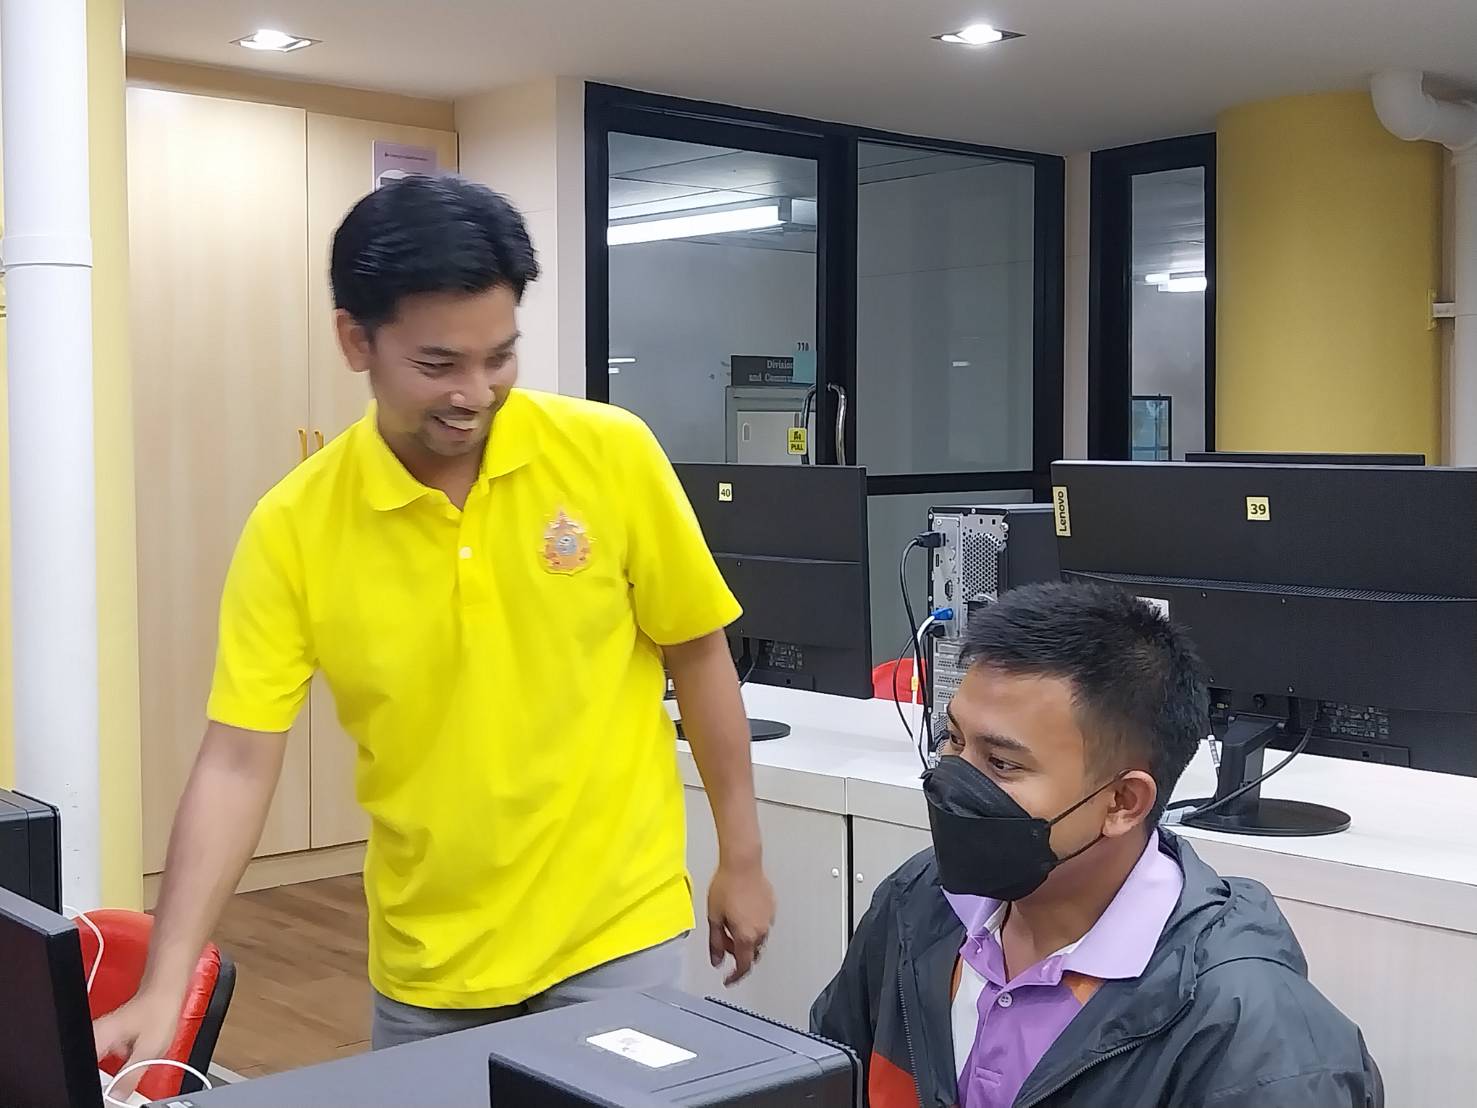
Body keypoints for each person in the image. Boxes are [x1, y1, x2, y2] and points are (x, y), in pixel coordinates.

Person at [96, 176, 775, 1078]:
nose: (475, 392)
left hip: (616, 933)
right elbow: (237, 759)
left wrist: (741, 857)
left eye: (500, 357)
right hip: (428, 962)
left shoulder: (610, 454)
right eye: (438, 364)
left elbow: (696, 651)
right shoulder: (295, 526)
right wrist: (166, 979)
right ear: (355, 340)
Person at [812, 582, 1382, 1108]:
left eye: (1002, 763)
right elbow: (826, 1081)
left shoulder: (1255, 1042)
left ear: (1122, 803)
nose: (953, 780)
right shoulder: (919, 902)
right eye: (952, 740)